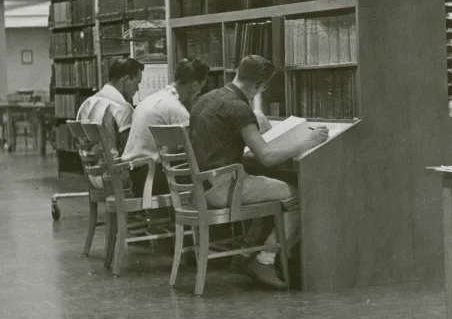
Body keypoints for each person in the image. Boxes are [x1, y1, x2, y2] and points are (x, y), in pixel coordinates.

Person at [189, 55, 328, 289]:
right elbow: (266, 157)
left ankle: (245, 255)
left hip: (201, 188)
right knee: (299, 196)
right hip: (224, 188)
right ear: (260, 86)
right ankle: (264, 260)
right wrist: (309, 141)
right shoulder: (239, 107)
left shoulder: (205, 99)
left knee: (270, 189)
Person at [121, 58, 209, 197]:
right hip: (152, 178)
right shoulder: (176, 109)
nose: (199, 93)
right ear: (194, 86)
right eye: (200, 88)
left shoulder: (155, 99)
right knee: (213, 179)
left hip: (135, 173)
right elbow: (195, 150)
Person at [75, 57, 143, 187]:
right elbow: (131, 151)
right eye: (137, 84)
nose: (137, 90)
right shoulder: (122, 107)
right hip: (115, 179)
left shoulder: (86, 103)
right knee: (155, 172)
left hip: (92, 177)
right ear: (126, 80)